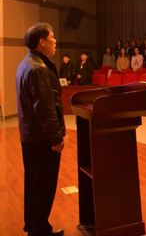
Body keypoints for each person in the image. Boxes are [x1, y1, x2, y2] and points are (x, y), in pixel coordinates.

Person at [16, 23, 65, 236]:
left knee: (34, 185)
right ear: (42, 42)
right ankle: (39, 231)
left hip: (30, 136)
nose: (55, 41)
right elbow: (45, 108)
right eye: (52, 37)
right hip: (41, 139)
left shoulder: (25, 63)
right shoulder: (38, 68)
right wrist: (56, 138)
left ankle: (35, 226)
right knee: (43, 187)